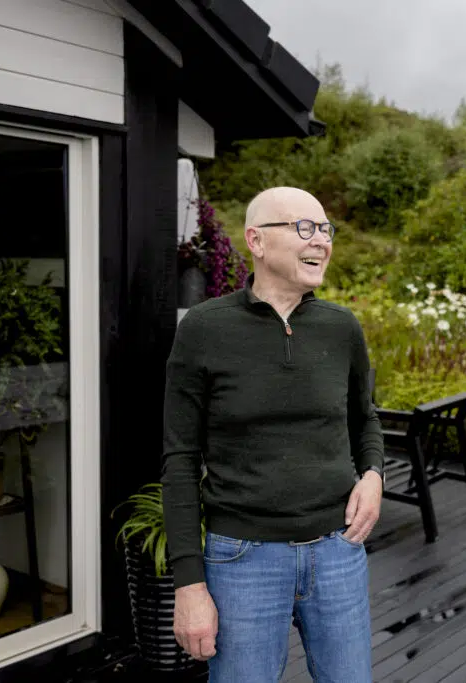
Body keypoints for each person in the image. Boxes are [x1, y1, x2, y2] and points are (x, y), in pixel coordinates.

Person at [161, 187, 385, 683]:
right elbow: (179, 461)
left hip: (338, 552)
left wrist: (372, 475)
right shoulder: (204, 329)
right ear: (256, 242)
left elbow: (363, 418)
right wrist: (189, 586)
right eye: (304, 228)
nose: (321, 241)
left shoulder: (341, 327)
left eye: (325, 230)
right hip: (243, 560)